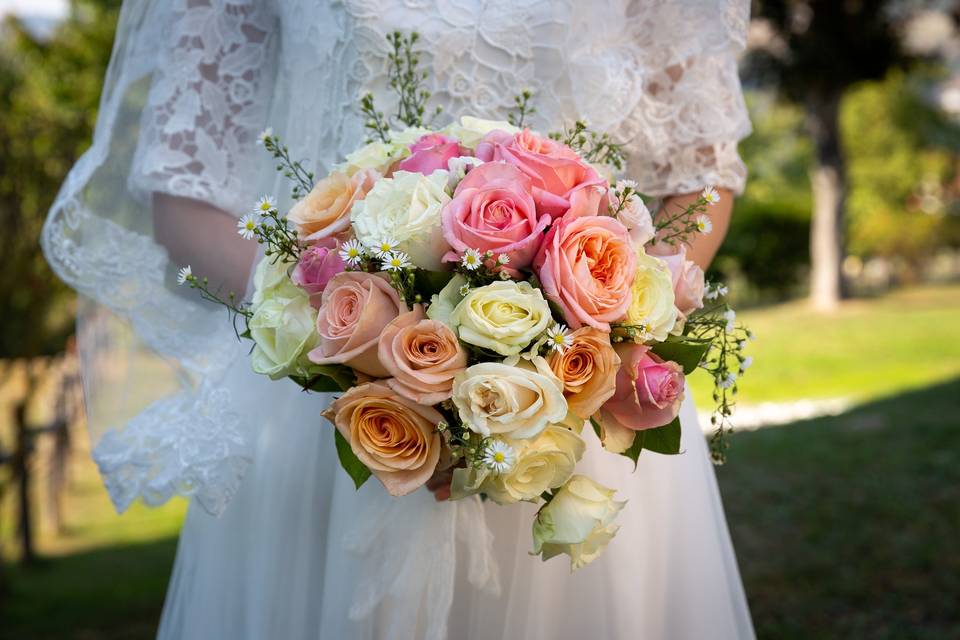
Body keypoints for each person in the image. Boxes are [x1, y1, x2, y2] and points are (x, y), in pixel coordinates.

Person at [42, 1, 755, 638]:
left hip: (582, 397)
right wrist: (358, 341)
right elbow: (184, 195)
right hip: (328, 410)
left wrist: (602, 318)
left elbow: (701, 173)